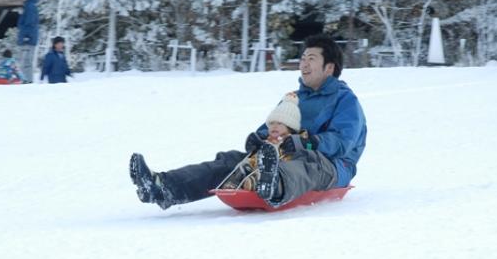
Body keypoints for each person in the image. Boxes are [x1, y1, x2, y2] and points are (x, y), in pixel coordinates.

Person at [130, 35, 367, 210]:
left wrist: (307, 142)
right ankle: (162, 187)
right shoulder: (294, 97)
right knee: (231, 161)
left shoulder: (346, 100)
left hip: (331, 166)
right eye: (303, 58)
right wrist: (260, 138)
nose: (303, 63)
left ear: (329, 68)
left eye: (311, 59)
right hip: (283, 155)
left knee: (309, 165)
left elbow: (342, 142)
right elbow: (272, 125)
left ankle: (273, 182)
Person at [221, 93, 305, 190]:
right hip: (257, 169)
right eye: (272, 123)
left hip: (279, 174)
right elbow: (255, 158)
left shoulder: (293, 143)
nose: (274, 126)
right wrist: (249, 163)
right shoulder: (266, 141)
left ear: (290, 127)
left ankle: (255, 183)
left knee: (264, 175)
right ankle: (235, 182)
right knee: (244, 165)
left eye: (280, 123)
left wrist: (298, 144)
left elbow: (296, 160)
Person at [17, 0, 39, 82]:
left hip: (28, 38)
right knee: (25, 60)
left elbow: (30, 22)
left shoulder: (30, 6)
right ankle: (26, 79)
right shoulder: (28, 6)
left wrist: (26, 36)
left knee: (26, 61)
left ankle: (27, 80)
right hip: (27, 37)